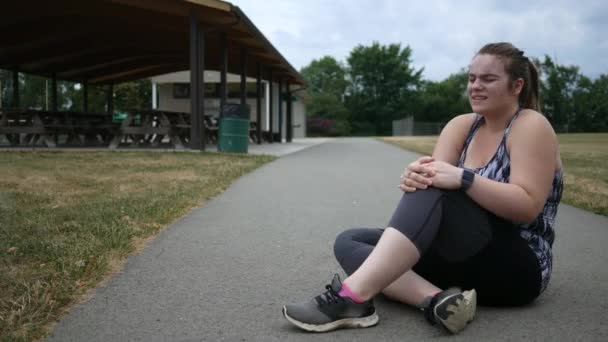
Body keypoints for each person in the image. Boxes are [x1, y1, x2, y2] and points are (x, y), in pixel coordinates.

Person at [282, 42, 564, 334]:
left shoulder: (530, 126)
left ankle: (352, 297)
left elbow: (527, 207)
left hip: (516, 268)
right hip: (461, 261)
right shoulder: (462, 126)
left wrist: (463, 179)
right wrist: (416, 177)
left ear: (517, 85)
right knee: (350, 240)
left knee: (439, 181)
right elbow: (433, 188)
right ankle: (440, 301)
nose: (475, 86)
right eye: (471, 78)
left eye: (488, 79)